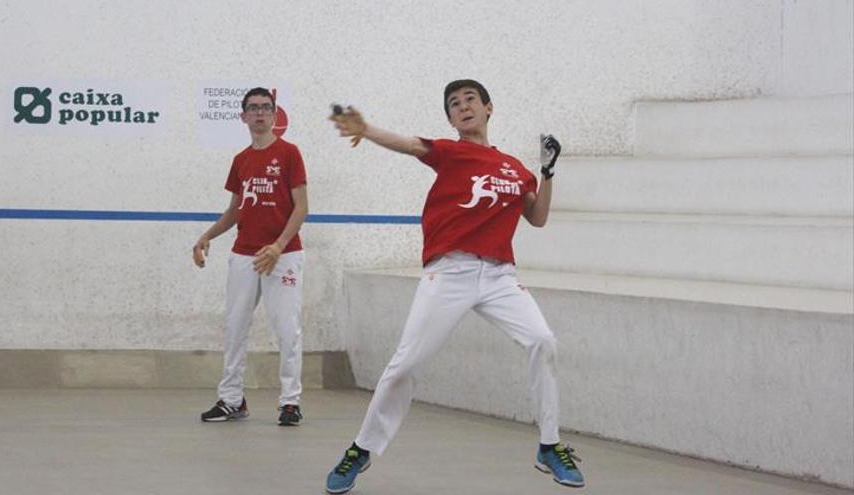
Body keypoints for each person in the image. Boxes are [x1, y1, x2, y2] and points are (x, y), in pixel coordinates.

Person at [324, 79, 584, 493]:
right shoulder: (451, 152)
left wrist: (547, 172)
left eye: (469, 101)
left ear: (488, 108)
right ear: (450, 118)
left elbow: (537, 217)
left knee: (543, 341)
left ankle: (550, 446)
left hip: (499, 277)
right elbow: (410, 145)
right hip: (450, 273)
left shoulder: (515, 169)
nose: (462, 107)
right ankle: (361, 449)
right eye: (454, 104)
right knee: (406, 364)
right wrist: (367, 129)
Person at [193, 87, 308, 426]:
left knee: (288, 330)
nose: (260, 113)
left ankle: (290, 402)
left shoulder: (290, 153)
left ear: (274, 115)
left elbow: (302, 207)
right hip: (244, 255)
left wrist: (278, 245)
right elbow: (234, 211)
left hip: (284, 255)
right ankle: (231, 400)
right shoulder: (241, 160)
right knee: (234, 327)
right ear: (243, 116)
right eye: (253, 108)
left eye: (266, 108)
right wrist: (207, 235)